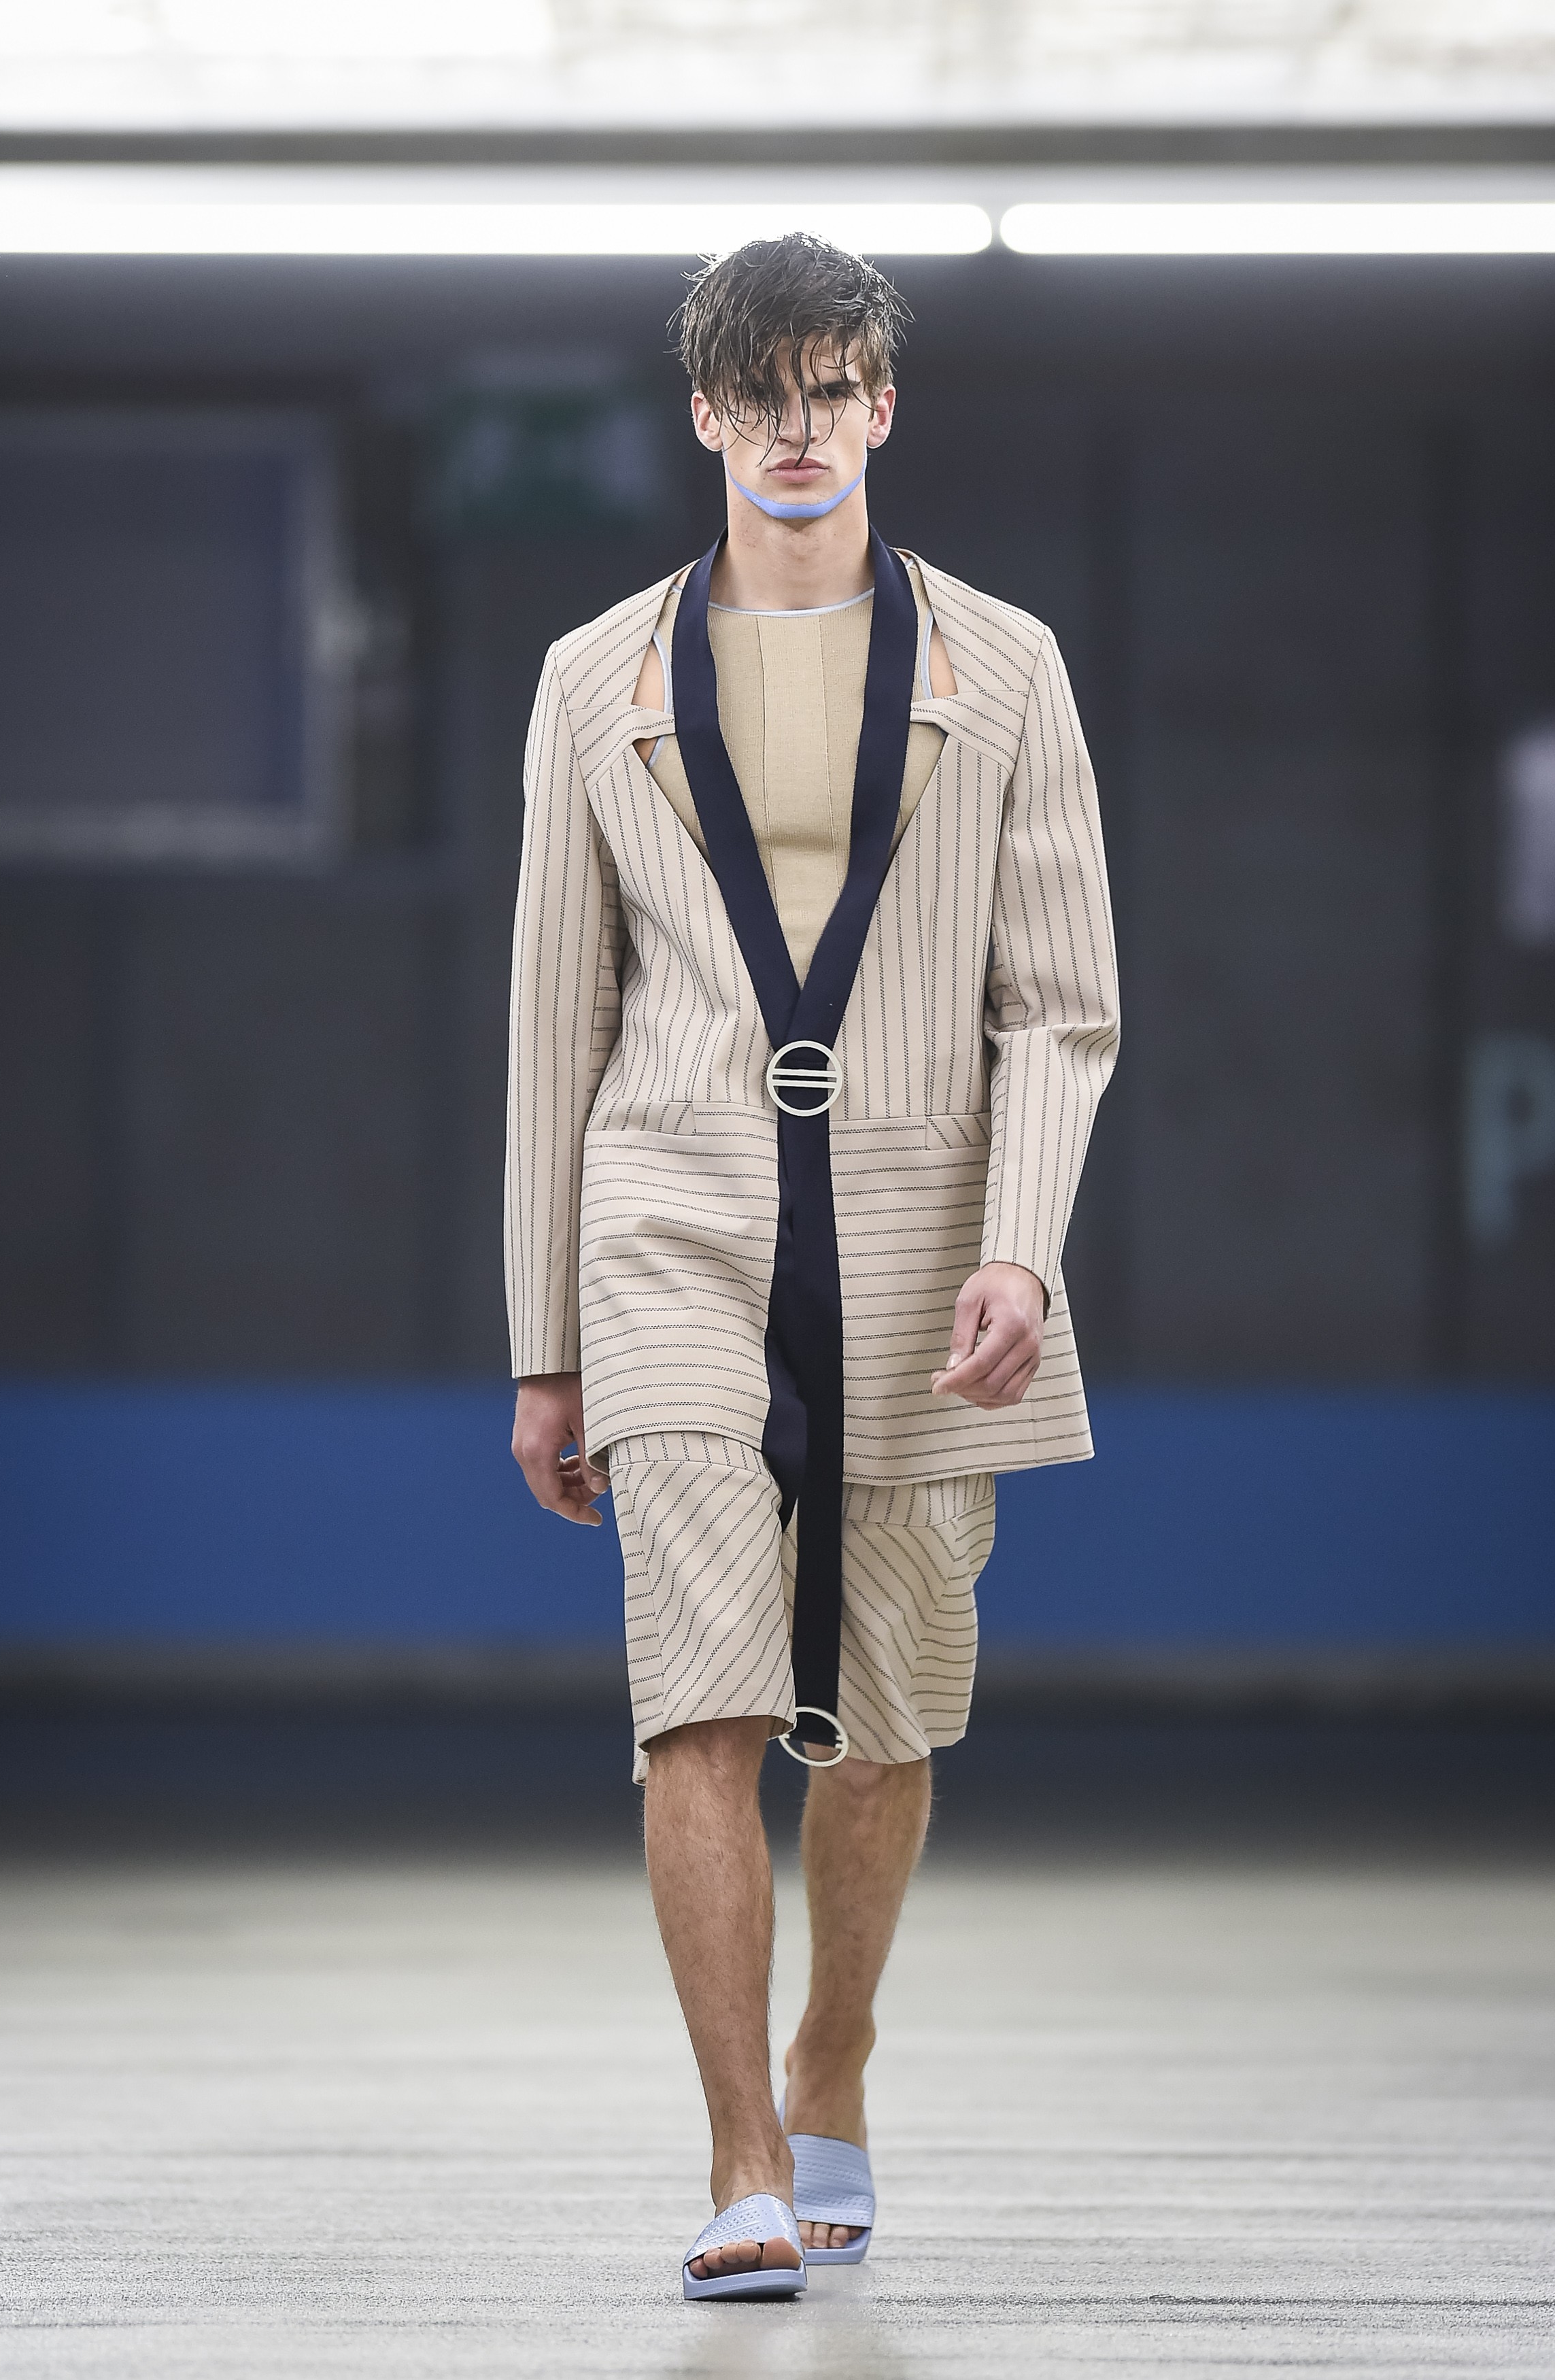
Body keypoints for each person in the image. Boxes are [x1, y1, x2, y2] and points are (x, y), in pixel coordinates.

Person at [505, 233, 1118, 2300]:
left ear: (882, 406)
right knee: (696, 1687)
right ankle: (742, 2158)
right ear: (704, 413)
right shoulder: (594, 679)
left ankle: (832, 2053)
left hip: (925, 1220)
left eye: (831, 388)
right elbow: (555, 1015)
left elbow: (1063, 1003)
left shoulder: (1004, 669)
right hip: (669, 1209)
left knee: (887, 1705)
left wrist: (1024, 1240)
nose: (796, 428)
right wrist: (543, 1338)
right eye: (758, 395)